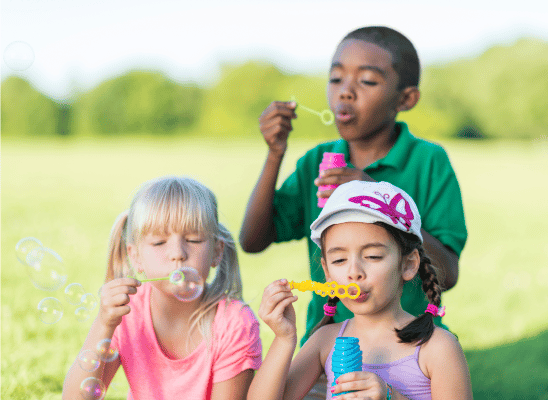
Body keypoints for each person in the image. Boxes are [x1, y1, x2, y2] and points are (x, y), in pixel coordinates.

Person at [240, 26, 467, 350]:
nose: (345, 91)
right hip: (328, 346)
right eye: (336, 79)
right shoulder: (317, 162)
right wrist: (275, 153)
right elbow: (252, 240)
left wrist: (379, 199)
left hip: (411, 346)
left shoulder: (429, 162)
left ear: (406, 98)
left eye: (367, 81)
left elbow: (448, 274)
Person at [248, 180, 473, 400]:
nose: (354, 272)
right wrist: (284, 339)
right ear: (326, 272)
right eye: (339, 260)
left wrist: (390, 396)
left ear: (408, 264)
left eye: (372, 256)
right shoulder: (325, 340)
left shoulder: (438, 347)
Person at [62, 176, 262, 400]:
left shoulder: (234, 323)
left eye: (194, 240)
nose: (178, 253)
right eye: (159, 243)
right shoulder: (127, 312)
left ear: (217, 251)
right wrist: (104, 323)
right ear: (135, 257)